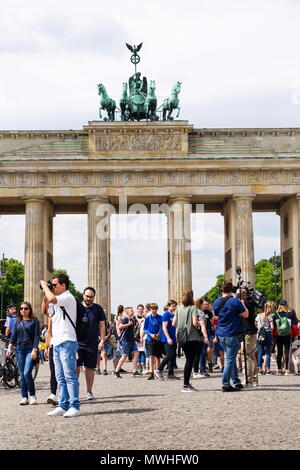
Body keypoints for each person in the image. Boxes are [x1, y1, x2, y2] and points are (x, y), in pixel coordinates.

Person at [41, 273, 80, 418]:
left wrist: (46, 286)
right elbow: (45, 311)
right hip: (56, 342)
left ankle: (74, 405)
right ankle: (63, 405)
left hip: (68, 340)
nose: (53, 287)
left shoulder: (68, 297)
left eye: (55, 285)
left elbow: (52, 298)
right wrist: (45, 293)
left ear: (63, 285)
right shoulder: (56, 300)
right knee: (60, 377)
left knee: (70, 375)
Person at [213, 281, 248, 392]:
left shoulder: (216, 301)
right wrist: (242, 304)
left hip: (221, 333)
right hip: (232, 333)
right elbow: (246, 314)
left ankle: (236, 381)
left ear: (221, 290)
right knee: (230, 360)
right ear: (231, 290)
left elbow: (216, 315)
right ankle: (225, 384)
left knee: (230, 358)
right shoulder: (235, 301)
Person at [6, 301, 40, 405]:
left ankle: (32, 395)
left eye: (26, 308)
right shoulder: (17, 321)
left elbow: (36, 337)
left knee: (26, 373)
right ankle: (24, 397)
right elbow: (14, 336)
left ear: (30, 310)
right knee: (22, 374)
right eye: (21, 309)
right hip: (19, 349)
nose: (23, 310)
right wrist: (10, 348)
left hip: (30, 349)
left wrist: (35, 349)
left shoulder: (34, 321)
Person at [76, 287, 106, 399]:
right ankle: (74, 392)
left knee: (90, 368)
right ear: (83, 295)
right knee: (76, 367)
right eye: (87, 296)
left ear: (94, 297)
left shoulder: (98, 309)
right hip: (77, 342)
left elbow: (102, 325)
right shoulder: (77, 307)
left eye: (91, 297)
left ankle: (89, 391)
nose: (88, 298)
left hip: (92, 342)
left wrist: (102, 341)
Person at [173, 289, 202, 392]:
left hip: (182, 337)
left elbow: (173, 323)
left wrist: (182, 325)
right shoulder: (193, 308)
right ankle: (185, 385)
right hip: (192, 337)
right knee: (190, 361)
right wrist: (201, 323)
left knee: (188, 360)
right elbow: (195, 323)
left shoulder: (178, 308)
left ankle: (187, 383)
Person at [154, 300, 180, 381]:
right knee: (170, 355)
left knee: (173, 357)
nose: (174, 307)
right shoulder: (166, 314)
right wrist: (168, 338)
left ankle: (171, 374)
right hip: (166, 338)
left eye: (175, 306)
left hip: (174, 338)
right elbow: (164, 327)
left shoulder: (175, 314)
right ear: (168, 306)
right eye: (172, 306)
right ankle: (159, 369)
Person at [238, 289, 258, 387]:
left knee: (249, 356)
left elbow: (245, 314)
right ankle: (252, 379)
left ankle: (250, 379)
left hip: (249, 332)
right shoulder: (248, 302)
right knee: (248, 356)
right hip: (247, 332)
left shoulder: (248, 303)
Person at [273, 299, 298, 375]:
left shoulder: (276, 315)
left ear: (279, 306)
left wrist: (274, 335)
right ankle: (287, 369)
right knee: (287, 351)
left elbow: (274, 327)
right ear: (286, 306)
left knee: (279, 352)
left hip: (278, 335)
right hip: (288, 334)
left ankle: (279, 369)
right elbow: (294, 326)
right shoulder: (290, 314)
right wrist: (296, 335)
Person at [113, 307, 140, 378]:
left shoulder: (132, 319)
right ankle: (116, 371)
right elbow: (119, 327)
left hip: (132, 340)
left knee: (136, 353)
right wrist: (128, 324)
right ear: (127, 313)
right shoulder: (125, 319)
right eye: (131, 311)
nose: (133, 312)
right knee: (124, 356)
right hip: (126, 340)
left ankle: (134, 371)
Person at [143, 303, 163, 380]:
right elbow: (145, 329)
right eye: (152, 309)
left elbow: (162, 327)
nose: (154, 310)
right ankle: (151, 372)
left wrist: (158, 334)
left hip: (158, 339)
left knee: (158, 356)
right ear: (150, 310)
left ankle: (157, 371)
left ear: (157, 309)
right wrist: (150, 334)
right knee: (151, 356)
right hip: (150, 339)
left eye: (155, 309)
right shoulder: (148, 318)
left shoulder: (160, 317)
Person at [255, 301, 274, 375]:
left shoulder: (258, 315)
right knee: (268, 352)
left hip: (260, 334)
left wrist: (259, 328)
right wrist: (269, 329)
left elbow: (256, 324)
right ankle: (268, 370)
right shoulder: (269, 316)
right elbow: (272, 327)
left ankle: (259, 369)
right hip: (268, 333)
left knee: (260, 352)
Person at [192, 298, 209, 379]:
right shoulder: (200, 312)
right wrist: (206, 337)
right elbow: (203, 326)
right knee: (198, 354)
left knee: (193, 354)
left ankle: (194, 371)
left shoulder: (192, 311)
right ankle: (196, 371)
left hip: (191, 334)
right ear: (200, 304)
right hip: (199, 335)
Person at [44, 313, 58, 406]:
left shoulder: (70, 308)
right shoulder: (51, 314)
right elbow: (49, 331)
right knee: (53, 371)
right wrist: (46, 347)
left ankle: (66, 396)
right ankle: (53, 394)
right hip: (53, 345)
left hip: (66, 344)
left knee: (66, 372)